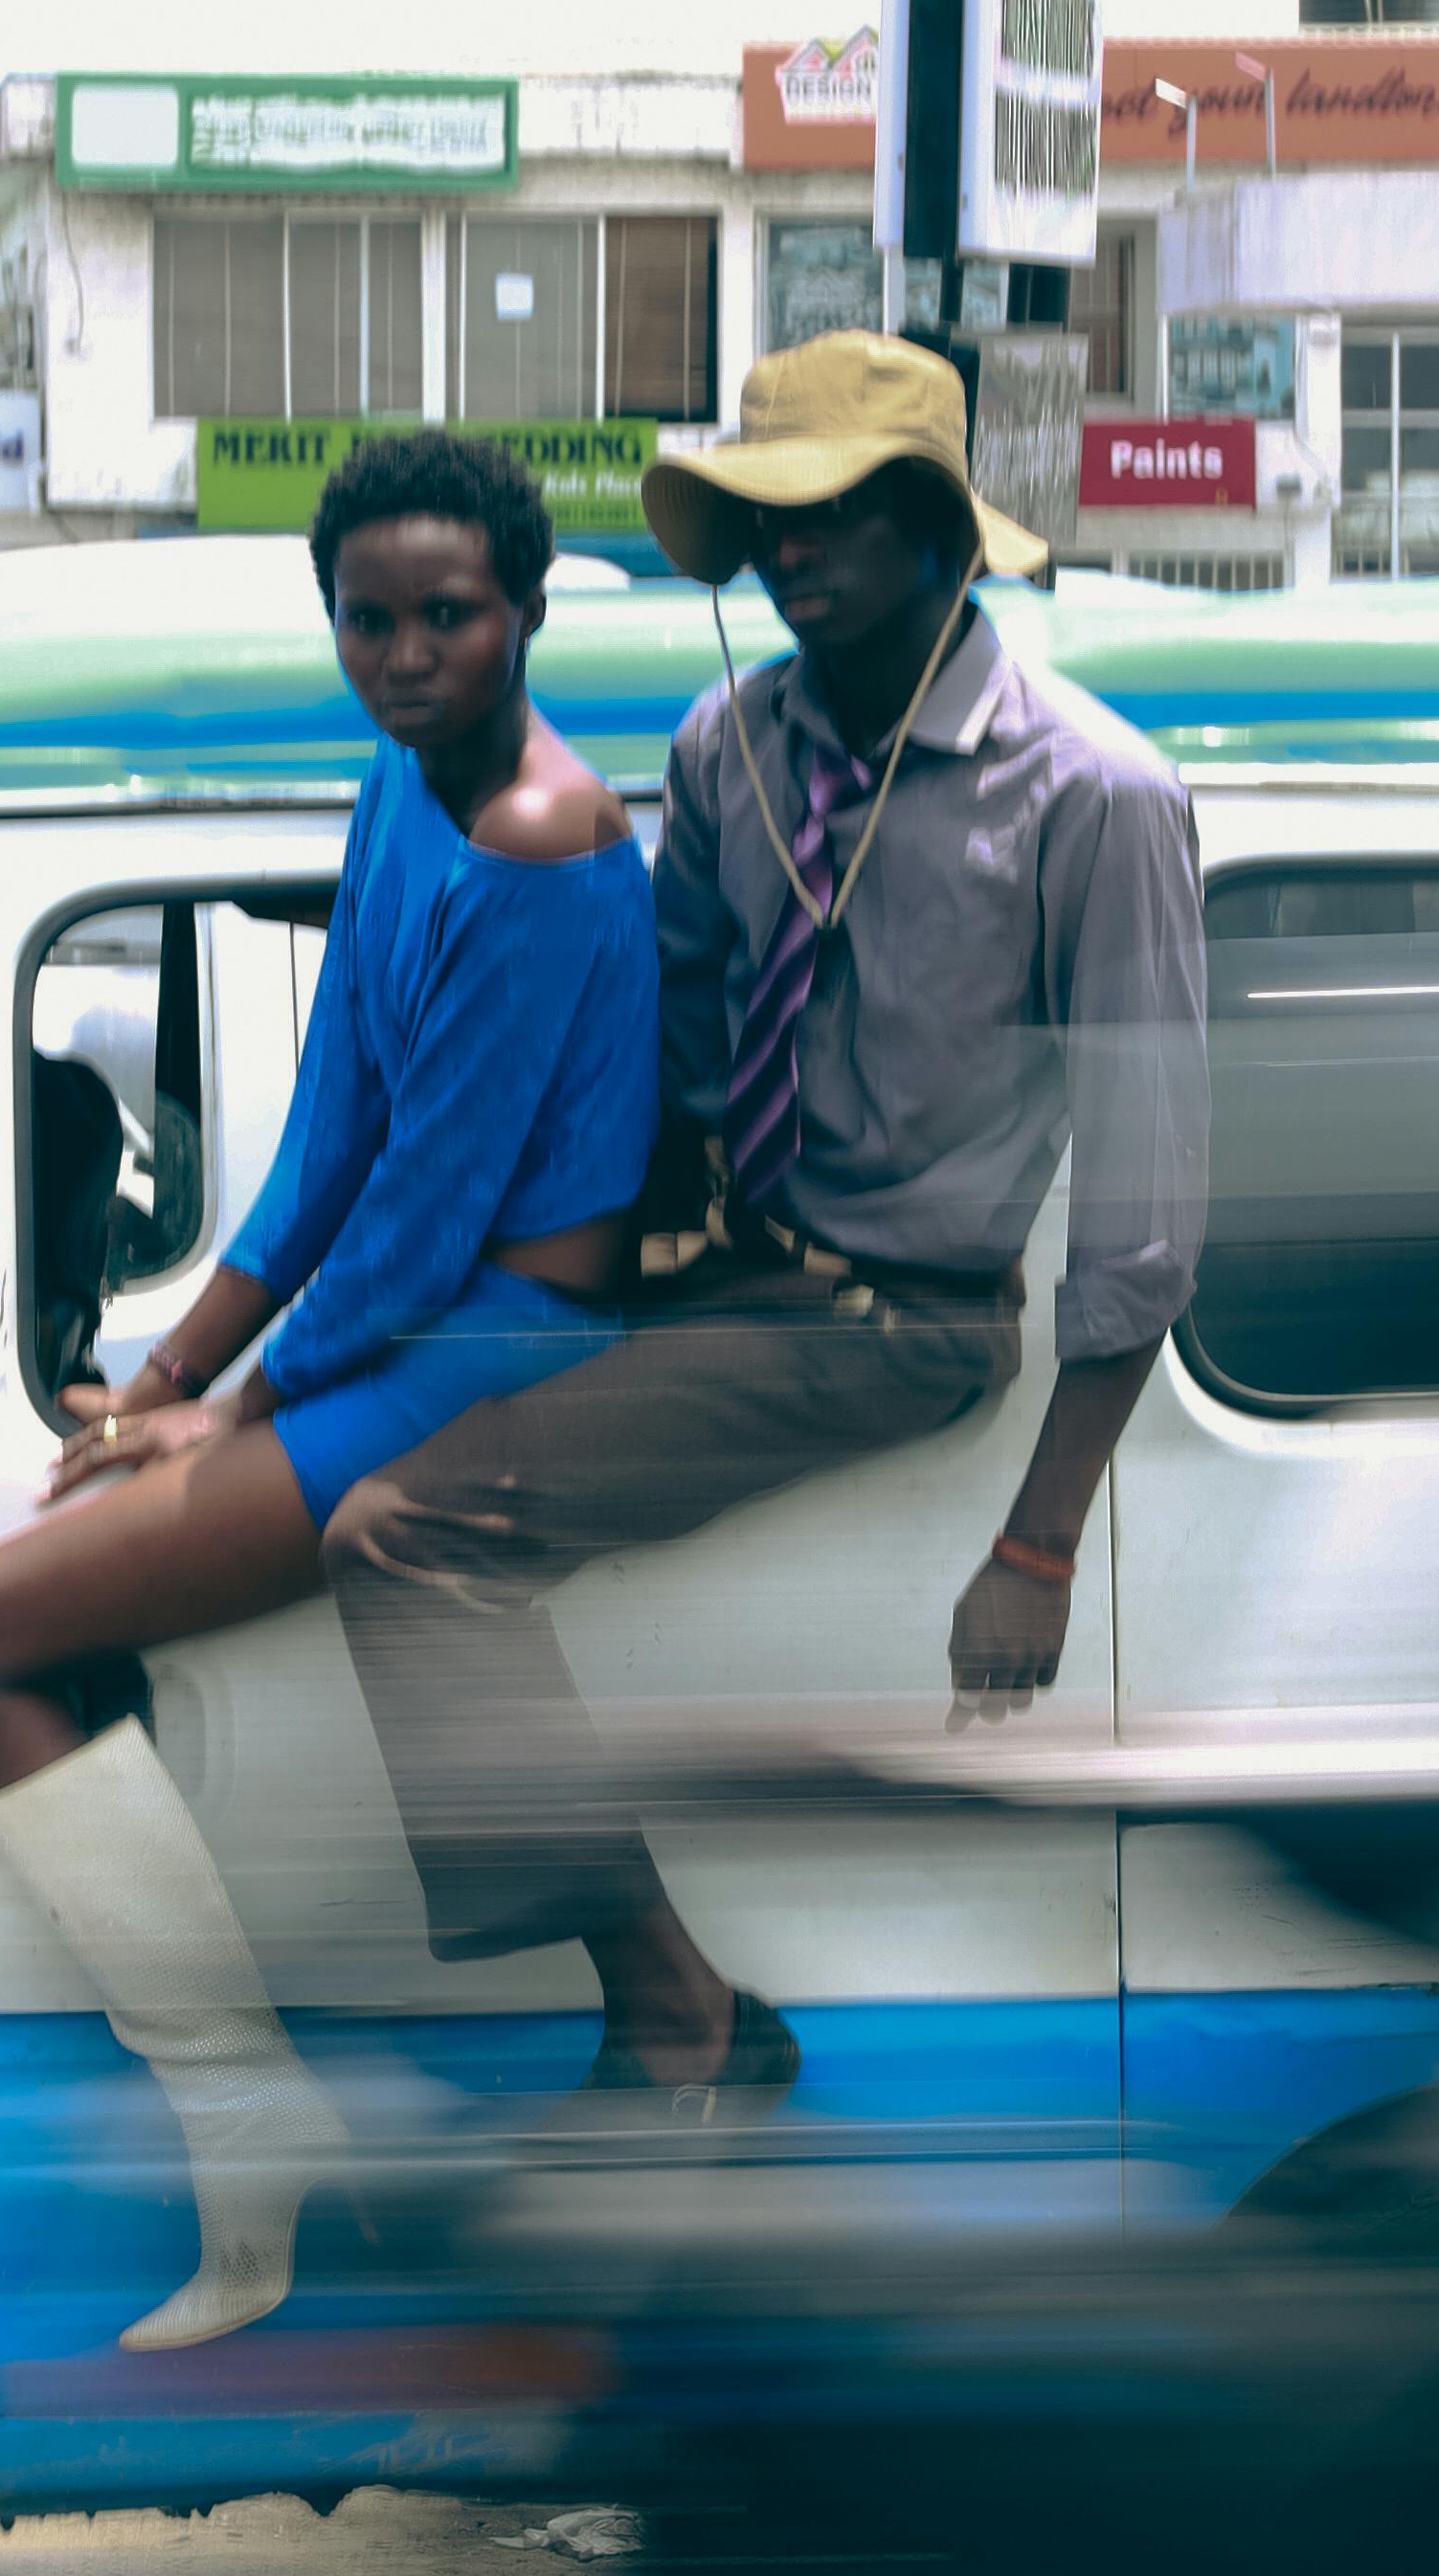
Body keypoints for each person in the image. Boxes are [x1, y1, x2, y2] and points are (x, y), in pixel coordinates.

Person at [318, 325, 1209, 2104]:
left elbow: (1143, 1216)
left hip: (891, 1320)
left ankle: (673, 2007)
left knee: (396, 1538)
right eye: (764, 522)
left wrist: (1037, 1546)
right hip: (720, 1261)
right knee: (342, 1416)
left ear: (941, 533)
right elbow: (674, 1037)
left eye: (836, 519)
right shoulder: (732, 744)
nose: (792, 556)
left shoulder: (1094, 795)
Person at [0, 428, 659, 2346]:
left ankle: (253, 2126)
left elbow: (425, 1209)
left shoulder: (541, 838)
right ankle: (253, 2120)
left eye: (448, 617)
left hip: (491, 1337)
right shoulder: (404, 790)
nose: (404, 655)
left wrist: (232, 1412)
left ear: (526, 612)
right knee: (1, 1607)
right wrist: (160, 1370)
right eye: (367, 619)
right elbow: (332, 1121)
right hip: (404, 1317)